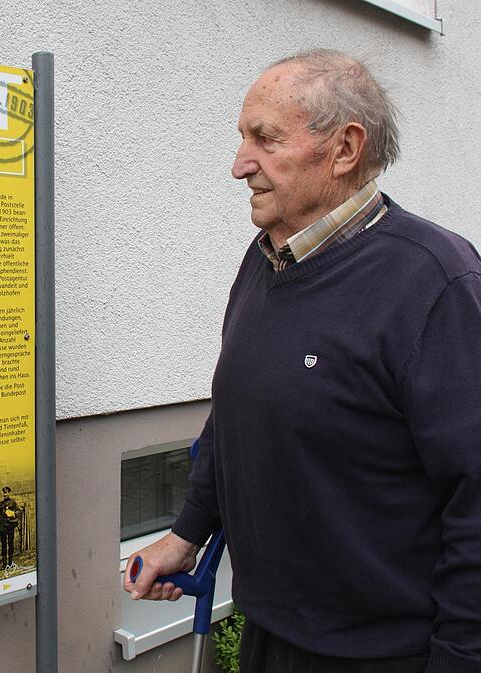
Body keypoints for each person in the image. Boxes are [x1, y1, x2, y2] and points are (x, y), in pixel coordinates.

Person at [124, 49, 481, 673]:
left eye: (265, 139)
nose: (240, 165)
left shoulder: (437, 283)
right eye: (242, 138)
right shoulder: (265, 260)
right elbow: (234, 419)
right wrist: (187, 533)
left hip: (386, 655)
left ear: (344, 150)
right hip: (268, 632)